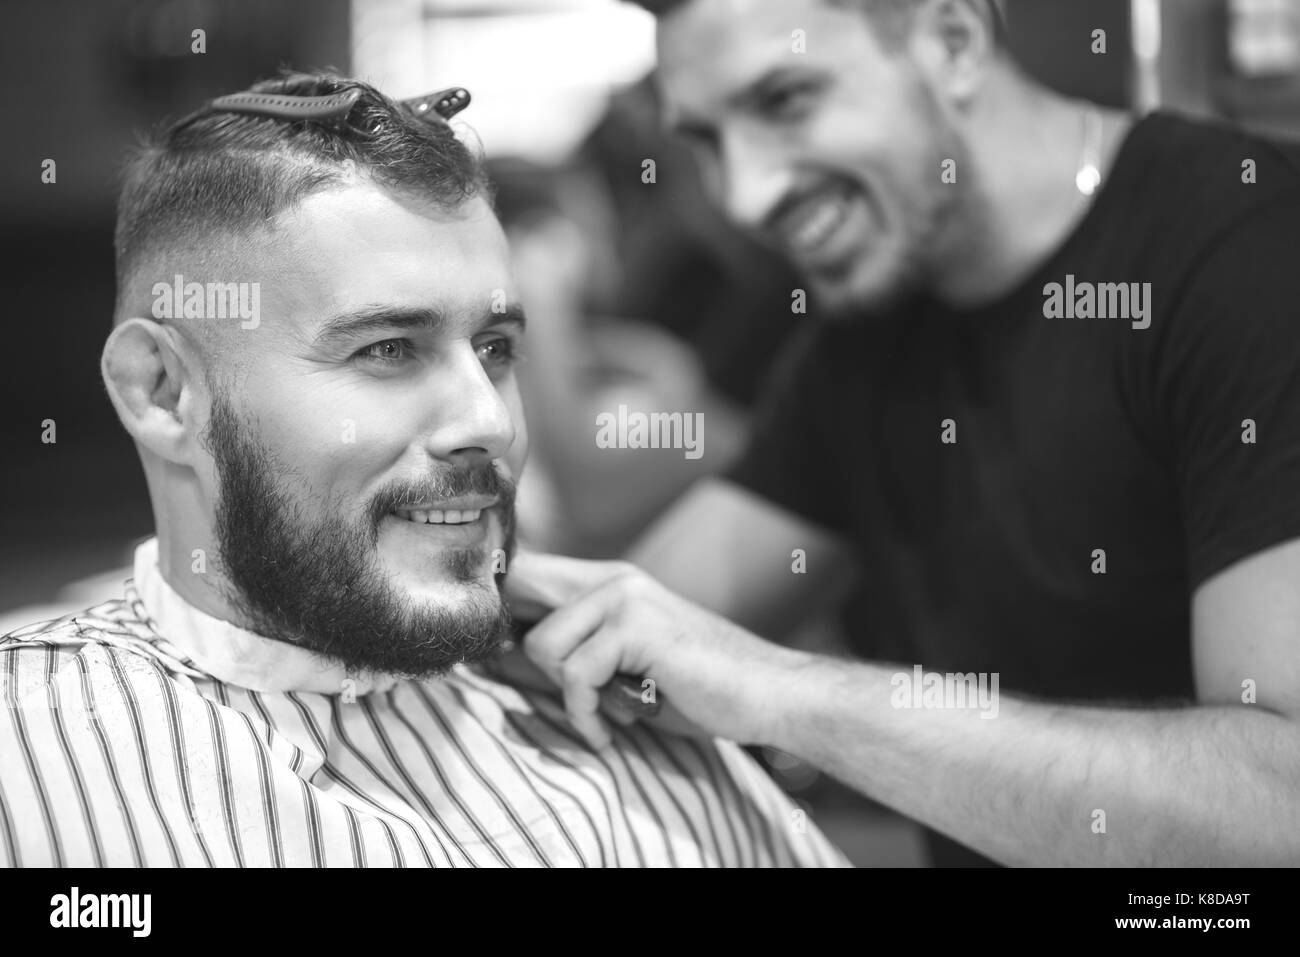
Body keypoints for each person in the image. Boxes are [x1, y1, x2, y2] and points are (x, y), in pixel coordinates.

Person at [506, 0, 1300, 866]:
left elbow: (1280, 801)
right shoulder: (871, 327)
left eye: (786, 100)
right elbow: (621, 627)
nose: (745, 195)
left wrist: (781, 690)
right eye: (705, 140)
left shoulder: (1249, 251)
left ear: (952, 41)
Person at [0, 72, 847, 868]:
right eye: (388, 349)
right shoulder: (29, 755)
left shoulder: (622, 721)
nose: (491, 421)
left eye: (496, 349)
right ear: (163, 391)